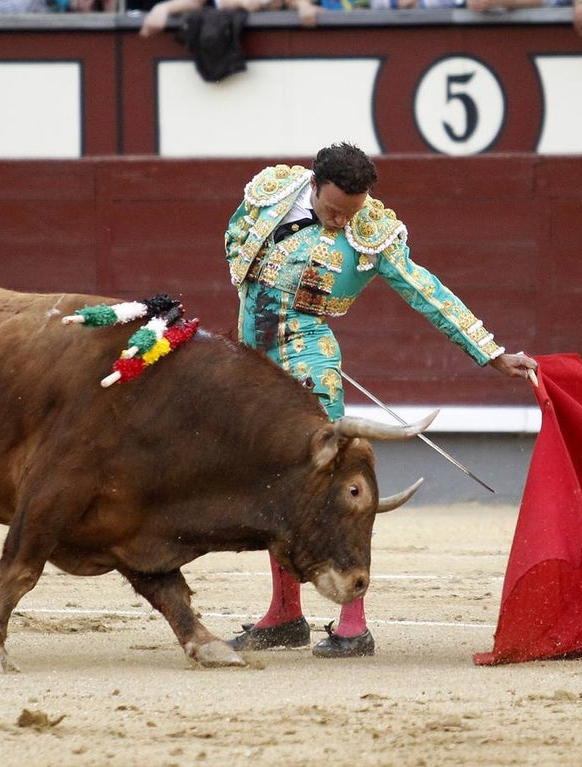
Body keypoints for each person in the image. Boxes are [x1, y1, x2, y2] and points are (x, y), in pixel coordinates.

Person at [224, 142, 537, 658]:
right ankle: (284, 615)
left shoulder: (371, 231)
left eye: (352, 211)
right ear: (313, 184)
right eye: (334, 210)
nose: (343, 220)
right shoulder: (271, 192)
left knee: (333, 482)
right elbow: (238, 246)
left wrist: (491, 352)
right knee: (275, 482)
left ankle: (354, 624)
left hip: (309, 359)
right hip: (254, 360)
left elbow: (426, 291)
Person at [139, 0, 319, 37]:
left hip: (279, 39)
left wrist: (303, 6)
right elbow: (195, 2)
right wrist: (164, 8)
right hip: (235, 42)